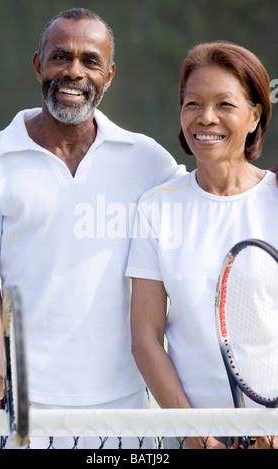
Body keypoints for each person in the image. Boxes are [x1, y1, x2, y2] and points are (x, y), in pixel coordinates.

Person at [0, 8, 186, 449]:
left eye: (90, 61)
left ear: (108, 75)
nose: (74, 71)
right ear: (39, 65)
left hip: (126, 411)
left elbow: (207, 212)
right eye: (60, 57)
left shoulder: (149, 161)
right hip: (24, 413)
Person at [126, 41, 278, 449]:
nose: (206, 118)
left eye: (224, 104)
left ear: (255, 116)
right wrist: (198, 438)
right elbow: (145, 336)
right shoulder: (156, 207)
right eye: (193, 103)